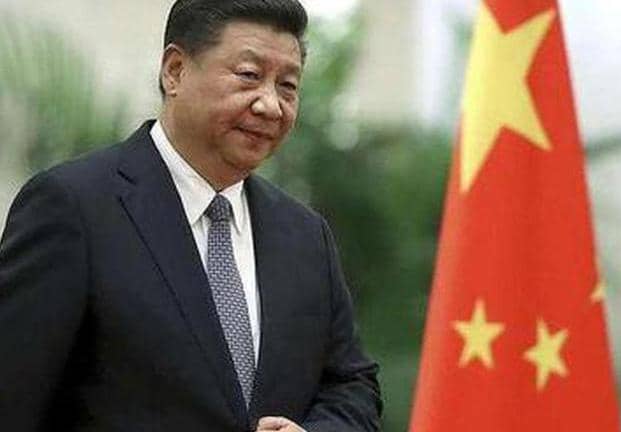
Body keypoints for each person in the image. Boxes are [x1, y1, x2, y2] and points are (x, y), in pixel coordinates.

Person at [0, 1, 381, 431]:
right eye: (249, 76)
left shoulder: (305, 235)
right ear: (175, 71)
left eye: (288, 86)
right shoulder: (73, 207)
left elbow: (352, 385)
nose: (271, 105)